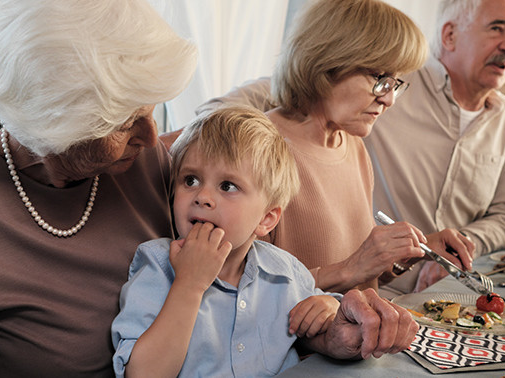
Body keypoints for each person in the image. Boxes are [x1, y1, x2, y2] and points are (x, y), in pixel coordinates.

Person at [0, 0, 424, 376]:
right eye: (126, 119)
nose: (152, 135)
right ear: (52, 124)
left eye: (150, 109)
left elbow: (245, 310)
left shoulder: (151, 166)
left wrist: (325, 331)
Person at [185, 0, 505, 297]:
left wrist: (404, 254)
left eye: (395, 82)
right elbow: (236, 292)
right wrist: (352, 269)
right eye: (380, 78)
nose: (389, 99)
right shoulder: (261, 152)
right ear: (326, 63)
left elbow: (361, 279)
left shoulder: (353, 146)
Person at [111, 106, 418, 377]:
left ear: (266, 219)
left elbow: (321, 331)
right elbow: (143, 373)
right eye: (190, 180)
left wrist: (326, 306)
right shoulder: (156, 265)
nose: (202, 197)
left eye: (227, 186)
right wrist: (189, 284)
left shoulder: (283, 271)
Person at [366, 0, 505, 296]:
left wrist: (459, 246)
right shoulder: (393, 85)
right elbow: (294, 86)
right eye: (498, 28)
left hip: (456, 297)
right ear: (450, 36)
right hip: (372, 293)